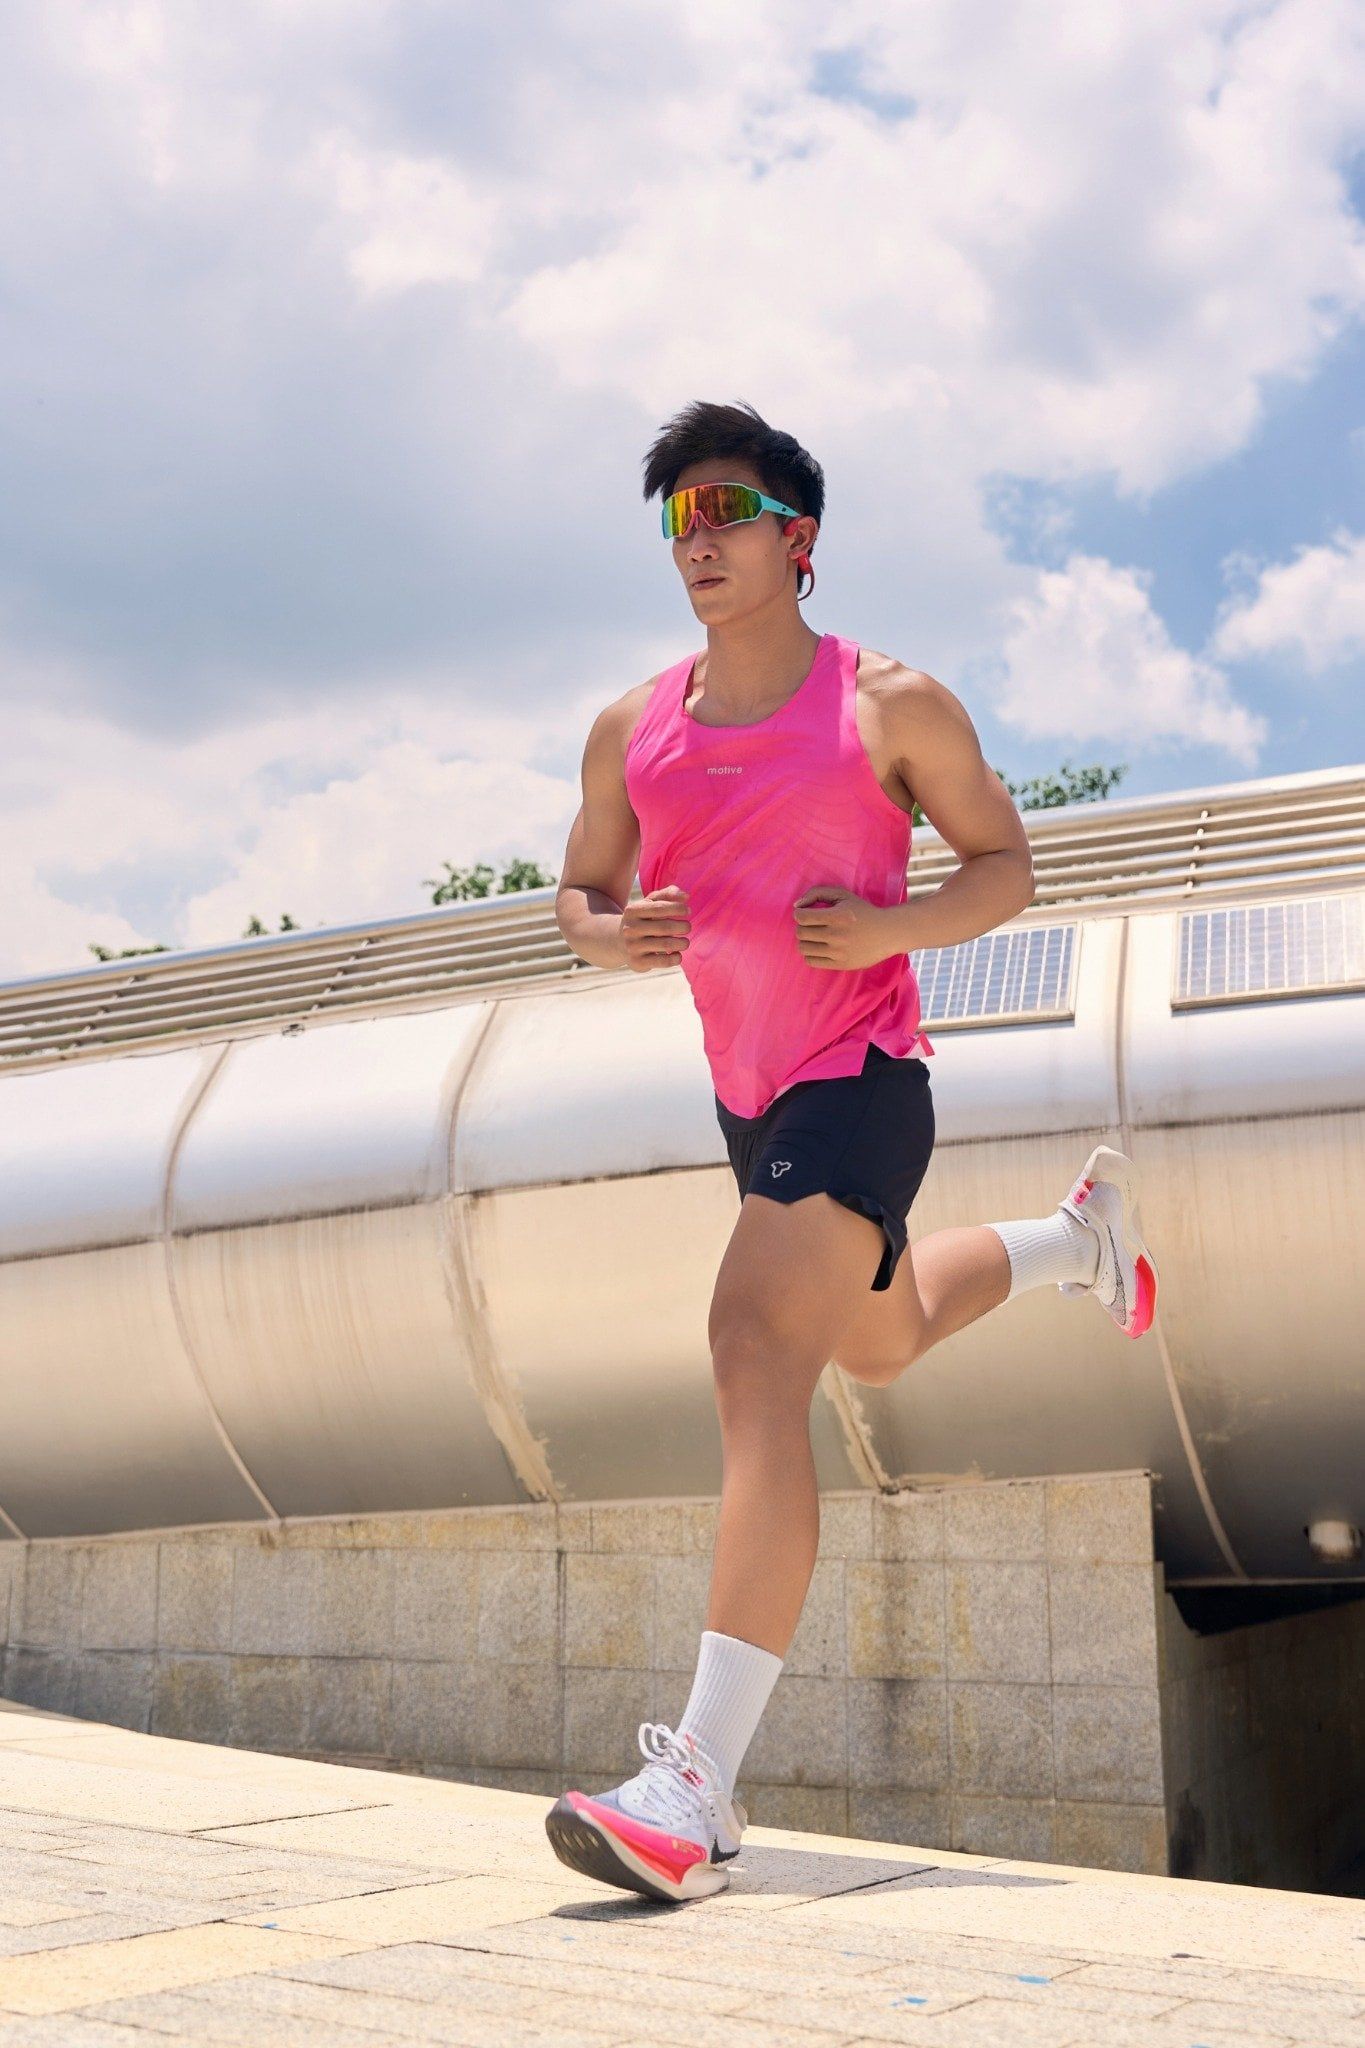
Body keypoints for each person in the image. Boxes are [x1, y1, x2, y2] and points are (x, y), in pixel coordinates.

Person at [545, 400, 1158, 1905]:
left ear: (796, 537)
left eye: (725, 512)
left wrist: (892, 927)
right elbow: (577, 890)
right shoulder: (633, 726)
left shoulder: (889, 704)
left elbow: (1005, 866)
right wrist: (616, 936)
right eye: (676, 518)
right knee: (876, 1342)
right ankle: (1077, 1243)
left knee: (754, 1344)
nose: (696, 541)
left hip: (863, 1075)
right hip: (750, 1099)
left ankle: (696, 1787)